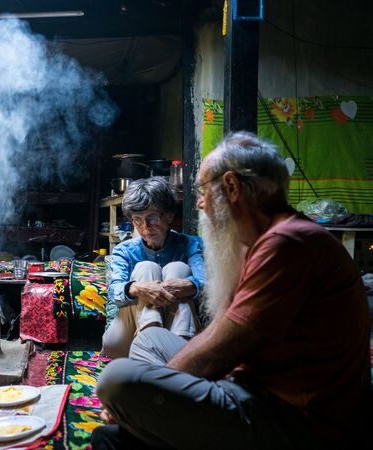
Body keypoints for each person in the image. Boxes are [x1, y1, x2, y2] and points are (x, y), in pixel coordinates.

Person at [93, 132, 370, 449]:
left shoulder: (288, 244)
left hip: (292, 417)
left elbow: (219, 352)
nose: (199, 202)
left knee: (116, 382)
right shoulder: (263, 240)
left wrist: (142, 399)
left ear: (232, 188)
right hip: (251, 384)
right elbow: (221, 342)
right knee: (151, 341)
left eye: (202, 190)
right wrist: (158, 393)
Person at [101, 177, 205, 358]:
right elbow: (114, 291)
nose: (145, 227)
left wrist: (186, 286)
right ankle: (152, 341)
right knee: (146, 268)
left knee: (178, 269)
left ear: (169, 216)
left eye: (152, 218)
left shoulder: (190, 245)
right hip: (127, 337)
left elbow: (208, 285)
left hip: (177, 332)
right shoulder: (124, 251)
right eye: (137, 220)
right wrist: (138, 288)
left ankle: (175, 348)